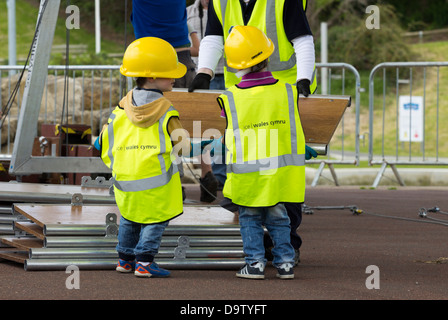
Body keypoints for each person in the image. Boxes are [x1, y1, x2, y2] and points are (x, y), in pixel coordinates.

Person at [188, 0, 318, 265]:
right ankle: (266, 248)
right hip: (244, 96)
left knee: (281, 169)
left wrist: (303, 78)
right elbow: (214, 36)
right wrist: (205, 71)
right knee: (252, 167)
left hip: (283, 92)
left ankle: (285, 245)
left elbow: (303, 40)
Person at [99, 37, 213, 278]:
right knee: (156, 219)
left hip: (126, 179)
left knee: (129, 218)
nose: (175, 77)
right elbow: (183, 148)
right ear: (151, 76)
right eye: (168, 73)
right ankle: (144, 261)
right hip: (157, 181)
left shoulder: (121, 108)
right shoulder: (167, 111)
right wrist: (209, 143)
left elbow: (101, 141)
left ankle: (125, 260)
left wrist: (117, 163)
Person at [217, 25, 315, 279]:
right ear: (268, 56)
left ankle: (255, 264)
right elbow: (287, 128)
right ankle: (285, 263)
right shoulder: (287, 91)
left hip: (247, 176)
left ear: (234, 65)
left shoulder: (230, 98)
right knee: (279, 217)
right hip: (279, 175)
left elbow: (228, 133)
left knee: (249, 219)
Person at [131, 0, 219, 203]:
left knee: (163, 128)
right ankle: (207, 174)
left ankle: (175, 181)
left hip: (156, 67)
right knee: (195, 125)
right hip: (185, 62)